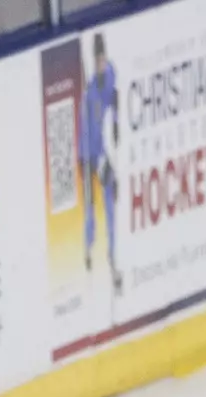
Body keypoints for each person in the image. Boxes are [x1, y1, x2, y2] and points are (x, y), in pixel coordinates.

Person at [80, 33, 121, 295]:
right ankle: (88, 248)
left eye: (104, 60)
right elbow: (87, 131)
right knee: (90, 207)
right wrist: (89, 163)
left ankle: (112, 253)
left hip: (101, 152)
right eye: (98, 61)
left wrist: (116, 121)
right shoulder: (90, 92)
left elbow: (114, 97)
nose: (102, 65)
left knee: (110, 201)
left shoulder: (109, 78)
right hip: (88, 154)